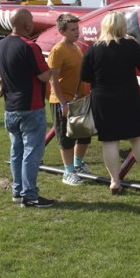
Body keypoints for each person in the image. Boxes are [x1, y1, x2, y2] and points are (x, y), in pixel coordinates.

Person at [0, 9, 57, 208]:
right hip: (31, 107)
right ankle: (30, 195)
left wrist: (2, 78)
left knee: (16, 151)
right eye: (31, 21)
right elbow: (44, 76)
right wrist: (53, 68)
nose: (33, 23)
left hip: (10, 108)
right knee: (31, 153)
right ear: (27, 25)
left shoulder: (1, 44)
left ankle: (18, 191)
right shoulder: (30, 46)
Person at [79, 11, 140, 194]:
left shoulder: (94, 48)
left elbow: (84, 76)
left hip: (103, 99)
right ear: (122, 26)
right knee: (137, 137)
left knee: (110, 140)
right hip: (127, 97)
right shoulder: (130, 45)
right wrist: (137, 47)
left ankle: (115, 181)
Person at [47, 13, 92, 185]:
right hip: (63, 101)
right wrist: (63, 103)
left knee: (84, 136)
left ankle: (78, 165)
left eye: (77, 28)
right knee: (66, 139)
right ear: (62, 31)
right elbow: (53, 79)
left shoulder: (75, 47)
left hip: (79, 100)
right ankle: (68, 173)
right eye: (73, 29)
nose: (77, 32)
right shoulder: (58, 50)